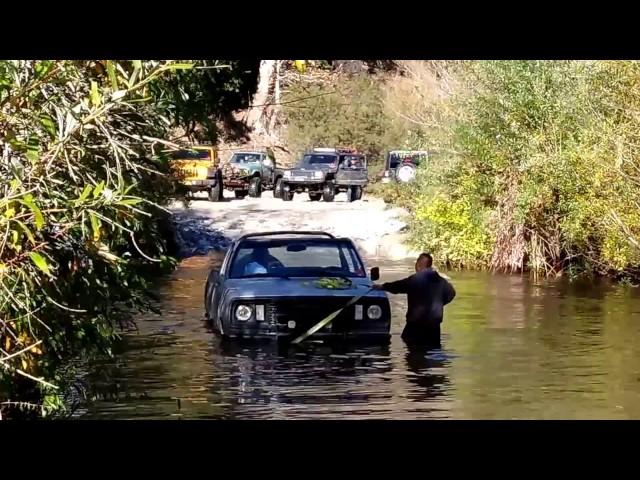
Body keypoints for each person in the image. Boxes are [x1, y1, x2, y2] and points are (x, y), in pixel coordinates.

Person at [373, 253, 455, 348]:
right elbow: (451, 293)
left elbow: (398, 286)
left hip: (416, 325)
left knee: (412, 351)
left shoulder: (416, 280)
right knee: (433, 352)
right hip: (434, 327)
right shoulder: (441, 281)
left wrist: (382, 286)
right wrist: (439, 303)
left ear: (418, 265)